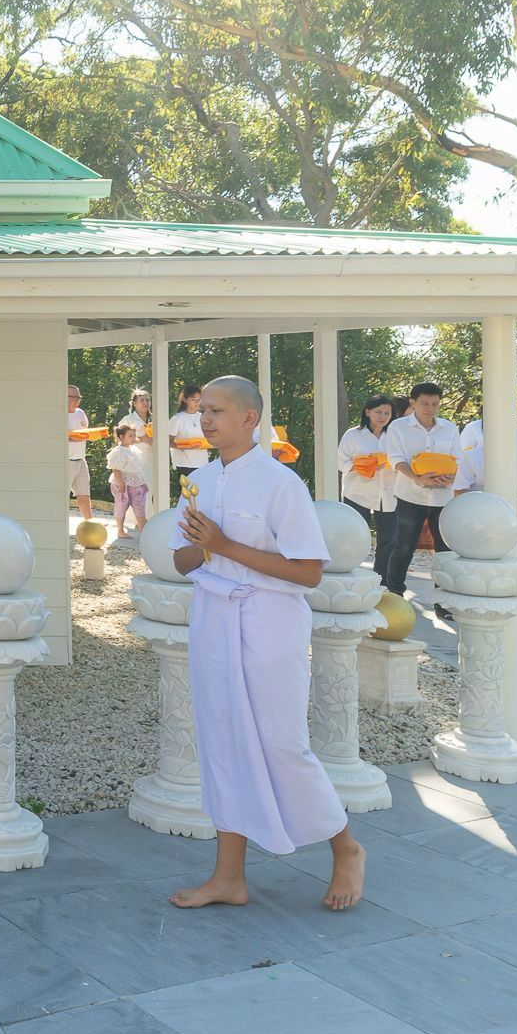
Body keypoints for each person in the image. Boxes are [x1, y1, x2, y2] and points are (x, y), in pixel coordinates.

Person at [166, 377, 365, 913]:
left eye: (217, 410)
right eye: (201, 409)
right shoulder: (200, 480)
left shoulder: (282, 484)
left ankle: (345, 847)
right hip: (214, 618)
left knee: (281, 742)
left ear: (250, 419)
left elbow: (308, 573)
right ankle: (229, 876)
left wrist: (225, 544)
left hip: (271, 622)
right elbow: (182, 560)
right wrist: (200, 550)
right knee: (223, 739)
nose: (204, 419)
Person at [380, 381, 460, 604]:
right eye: (425, 403)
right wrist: (417, 477)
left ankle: (443, 601)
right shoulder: (398, 427)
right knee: (404, 547)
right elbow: (395, 459)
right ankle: (394, 596)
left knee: (444, 550)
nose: (430, 408)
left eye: (435, 404)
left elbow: (457, 459)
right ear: (413, 403)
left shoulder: (450, 428)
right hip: (410, 496)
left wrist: (450, 476)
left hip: (442, 497)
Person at [338, 396, 397, 580]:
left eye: (387, 413)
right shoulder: (353, 435)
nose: (383, 416)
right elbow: (341, 461)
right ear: (368, 412)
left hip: (389, 494)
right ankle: (351, 575)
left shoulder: (396, 435)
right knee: (355, 536)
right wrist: (365, 465)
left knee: (389, 540)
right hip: (357, 492)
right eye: (379, 412)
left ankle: (382, 581)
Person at [107, 424, 151, 537]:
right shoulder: (117, 451)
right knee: (121, 506)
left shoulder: (134, 449)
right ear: (121, 437)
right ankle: (120, 530)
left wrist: (143, 482)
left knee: (139, 506)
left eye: (134, 435)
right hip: (123, 482)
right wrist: (121, 483)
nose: (133, 438)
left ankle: (144, 532)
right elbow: (116, 469)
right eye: (130, 436)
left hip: (136, 482)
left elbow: (137, 468)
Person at [168, 384, 210, 494]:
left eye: (199, 400)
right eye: (193, 399)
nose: (197, 402)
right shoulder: (178, 418)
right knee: (187, 497)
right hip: (185, 464)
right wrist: (182, 446)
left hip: (202, 463)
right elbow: (166, 441)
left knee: (202, 495)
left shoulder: (202, 416)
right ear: (185, 399)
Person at [65, 385, 95, 522]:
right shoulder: (58, 415)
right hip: (66, 461)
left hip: (81, 460)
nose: (78, 400)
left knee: (84, 494)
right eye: (74, 397)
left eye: (79, 397)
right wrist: (77, 437)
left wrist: (95, 435)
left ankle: (90, 524)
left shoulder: (80, 413)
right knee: (62, 495)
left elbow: (85, 433)